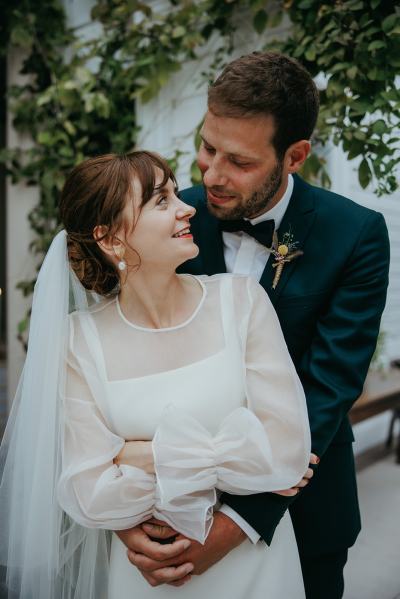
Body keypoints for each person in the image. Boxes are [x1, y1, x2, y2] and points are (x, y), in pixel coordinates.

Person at [118, 53, 390, 599]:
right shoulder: (167, 220)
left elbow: (325, 392)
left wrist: (234, 525)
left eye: (239, 162)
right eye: (207, 147)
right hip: (165, 508)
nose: (211, 174)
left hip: (303, 509)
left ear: (294, 156)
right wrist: (120, 508)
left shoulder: (356, 234)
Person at [0, 151, 313, 598]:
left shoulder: (242, 303)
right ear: (110, 239)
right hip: (148, 573)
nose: (187, 207)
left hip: (257, 570)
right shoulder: (79, 342)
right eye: (161, 201)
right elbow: (90, 495)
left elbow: (284, 453)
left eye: (175, 192)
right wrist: (225, 456)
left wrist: (132, 456)